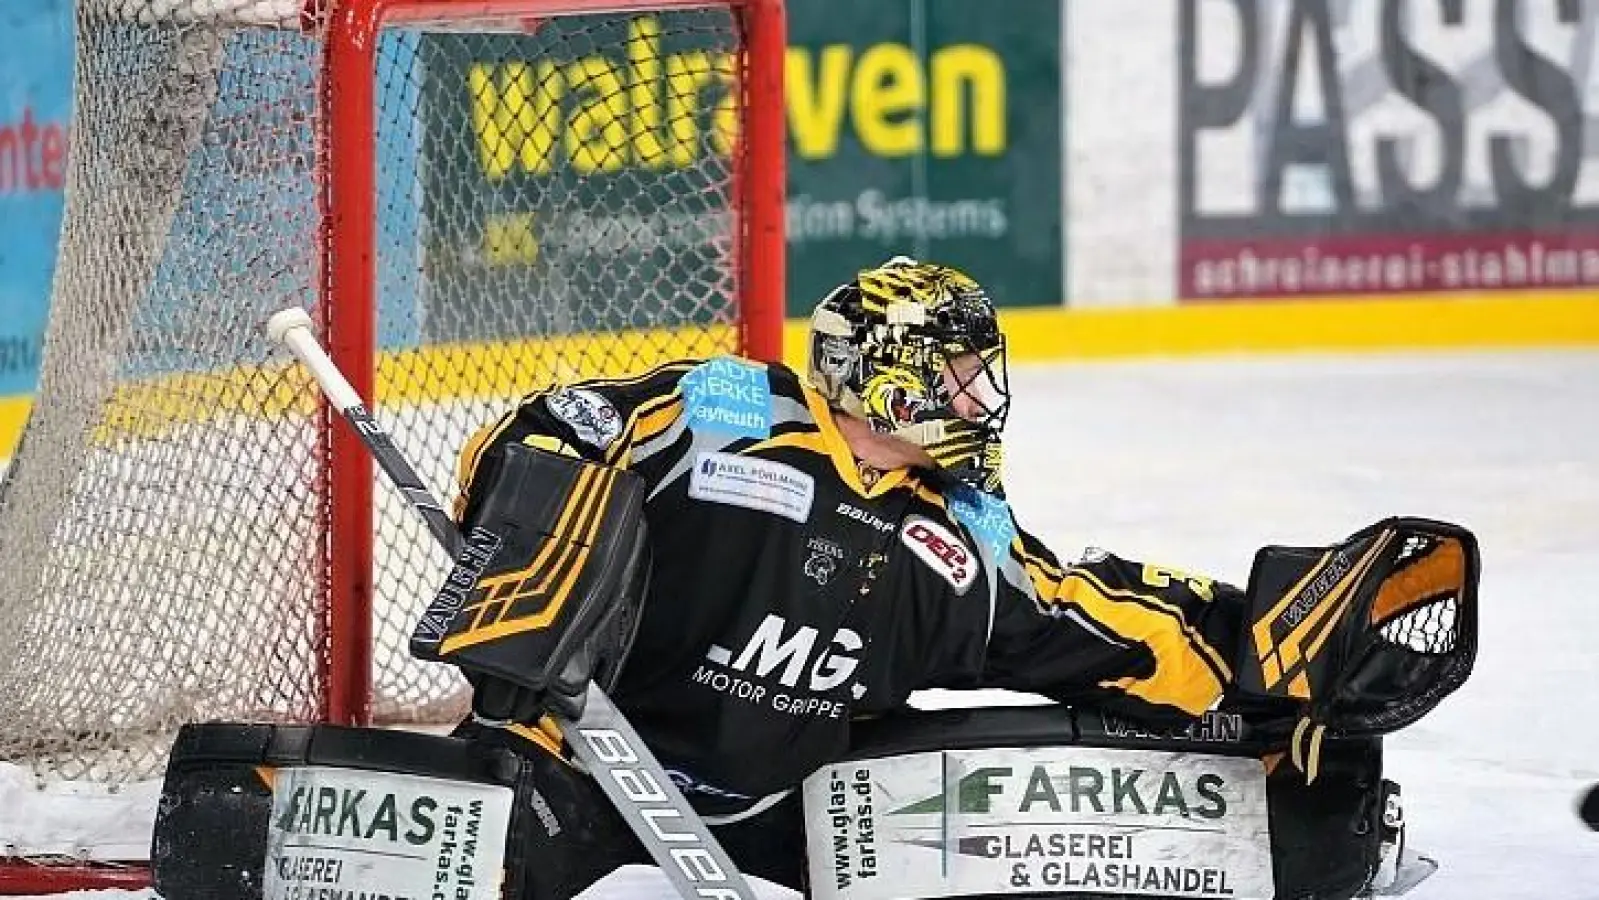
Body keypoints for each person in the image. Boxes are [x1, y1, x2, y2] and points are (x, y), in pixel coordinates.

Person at [428, 257, 1474, 899]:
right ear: (889, 377)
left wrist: (1258, 658)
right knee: (442, 869)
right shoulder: (721, 416)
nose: (982, 397)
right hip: (575, 752)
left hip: (781, 793)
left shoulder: (953, 536)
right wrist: (535, 576)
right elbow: (543, 434)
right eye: (961, 375)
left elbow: (1083, 618)